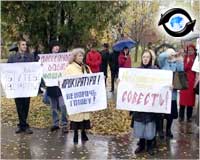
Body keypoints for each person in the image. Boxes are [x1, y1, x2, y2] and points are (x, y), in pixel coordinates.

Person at [64, 48, 91, 144]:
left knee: (84, 116)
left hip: (84, 96)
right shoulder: (69, 68)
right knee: (76, 117)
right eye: (79, 55)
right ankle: (75, 134)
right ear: (74, 57)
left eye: (82, 55)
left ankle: (83, 133)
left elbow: (91, 79)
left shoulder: (86, 67)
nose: (81, 57)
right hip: (75, 97)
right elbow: (65, 81)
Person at [7, 38, 34, 134]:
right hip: (16, 86)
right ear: (19, 46)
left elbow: (34, 69)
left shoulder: (30, 57)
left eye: (25, 45)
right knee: (19, 106)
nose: (25, 46)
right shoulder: (12, 58)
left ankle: (23, 125)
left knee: (26, 105)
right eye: (23, 45)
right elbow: (7, 71)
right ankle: (23, 125)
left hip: (27, 86)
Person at [132, 50, 157, 155]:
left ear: (150, 59)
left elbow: (161, 84)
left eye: (147, 57)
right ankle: (141, 145)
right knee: (140, 125)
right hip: (140, 104)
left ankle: (150, 146)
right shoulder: (137, 70)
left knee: (150, 124)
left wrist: (168, 86)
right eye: (144, 57)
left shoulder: (156, 70)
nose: (145, 59)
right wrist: (121, 82)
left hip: (151, 104)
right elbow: (130, 84)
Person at [158, 48, 183, 138]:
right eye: (170, 54)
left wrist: (179, 59)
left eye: (173, 53)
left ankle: (168, 129)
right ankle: (160, 130)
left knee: (170, 115)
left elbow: (181, 72)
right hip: (163, 94)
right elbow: (160, 57)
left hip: (172, 94)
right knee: (161, 114)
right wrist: (168, 53)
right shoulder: (163, 62)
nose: (172, 55)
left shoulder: (176, 63)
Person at [46, 40, 68, 133]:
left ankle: (64, 124)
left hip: (60, 87)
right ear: (51, 48)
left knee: (63, 106)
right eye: (55, 46)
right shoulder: (46, 58)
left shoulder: (62, 58)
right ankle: (55, 124)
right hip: (51, 87)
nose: (57, 47)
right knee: (53, 107)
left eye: (58, 46)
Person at [179, 44, 197, 122]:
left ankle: (189, 117)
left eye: (191, 50)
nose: (190, 51)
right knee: (182, 100)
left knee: (190, 101)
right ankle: (181, 116)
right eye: (189, 50)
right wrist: (188, 62)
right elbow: (184, 68)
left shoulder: (196, 59)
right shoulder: (185, 58)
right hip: (184, 79)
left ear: (194, 51)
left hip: (192, 81)